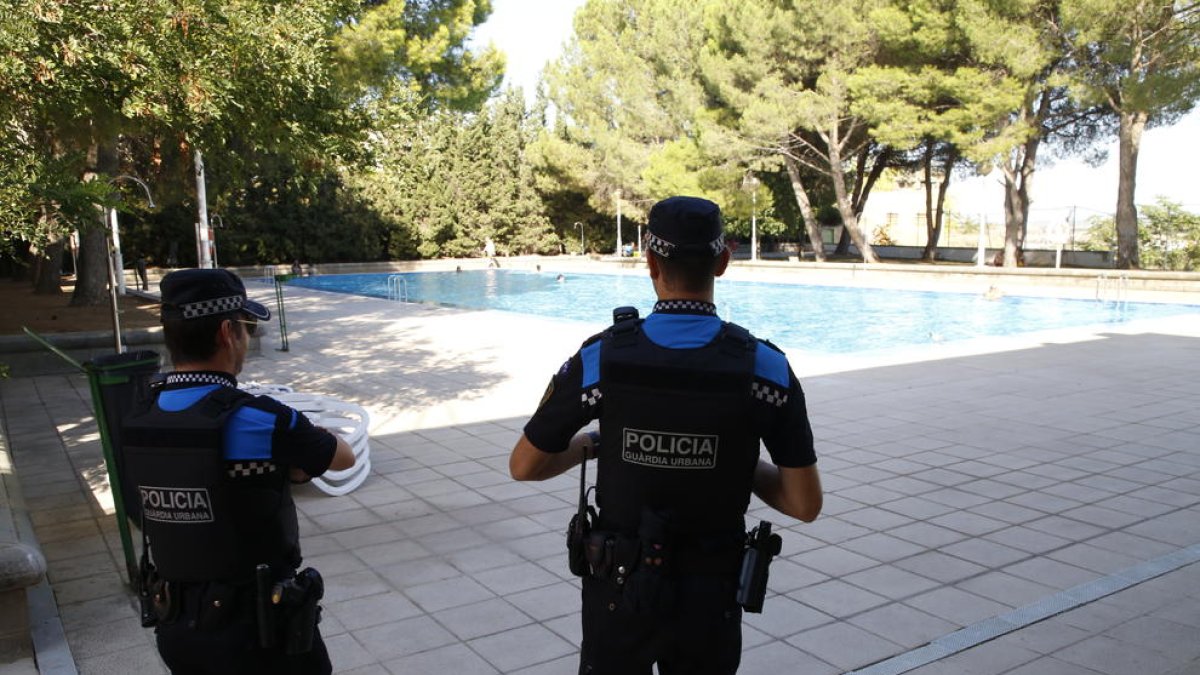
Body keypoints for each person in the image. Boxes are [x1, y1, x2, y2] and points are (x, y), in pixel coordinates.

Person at [509, 196, 823, 675]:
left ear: (650, 261)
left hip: (618, 589)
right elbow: (804, 504)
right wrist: (732, 461)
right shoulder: (766, 369)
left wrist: (590, 444)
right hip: (711, 593)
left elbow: (524, 466)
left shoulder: (602, 359)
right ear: (722, 261)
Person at [122, 268, 354, 675]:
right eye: (247, 329)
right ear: (227, 333)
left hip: (176, 627)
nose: (247, 341)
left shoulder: (141, 416)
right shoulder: (257, 418)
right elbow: (342, 457)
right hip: (260, 634)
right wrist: (291, 462)